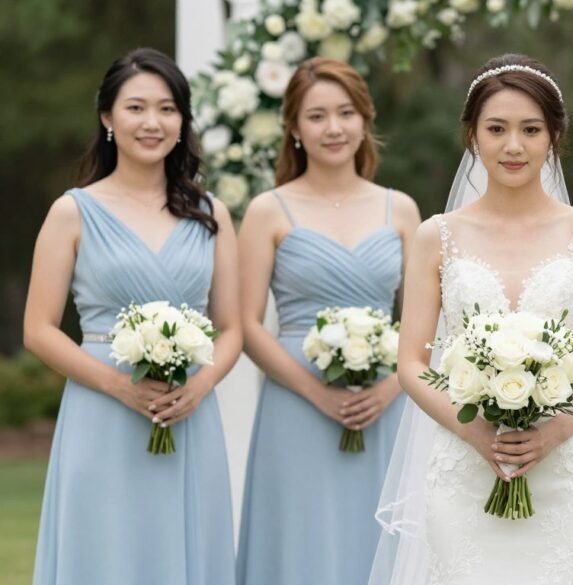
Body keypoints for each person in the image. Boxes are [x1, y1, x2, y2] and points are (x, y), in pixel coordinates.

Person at [371, 53, 573, 584]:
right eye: (497, 128)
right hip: (465, 464)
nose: (514, 146)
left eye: (531, 129)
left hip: (564, 469)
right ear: (472, 136)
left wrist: (555, 432)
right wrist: (477, 435)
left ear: (554, 136)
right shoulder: (435, 236)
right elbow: (412, 363)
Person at [24, 48, 240, 584]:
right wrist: (118, 387)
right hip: (102, 411)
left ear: (183, 121)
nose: (152, 122)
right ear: (107, 119)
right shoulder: (72, 211)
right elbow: (38, 329)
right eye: (136, 108)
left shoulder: (212, 215)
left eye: (167, 109)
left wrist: (203, 384)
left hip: (188, 412)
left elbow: (232, 326)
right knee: (106, 552)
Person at [235, 57, 420, 585]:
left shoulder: (400, 210)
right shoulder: (268, 211)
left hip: (384, 405)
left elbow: (424, 322)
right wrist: (318, 395)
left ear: (366, 119)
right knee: (301, 540)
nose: (334, 128)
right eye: (316, 116)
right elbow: (247, 325)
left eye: (346, 113)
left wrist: (388, 390)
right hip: (295, 406)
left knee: (378, 543)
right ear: (294, 127)